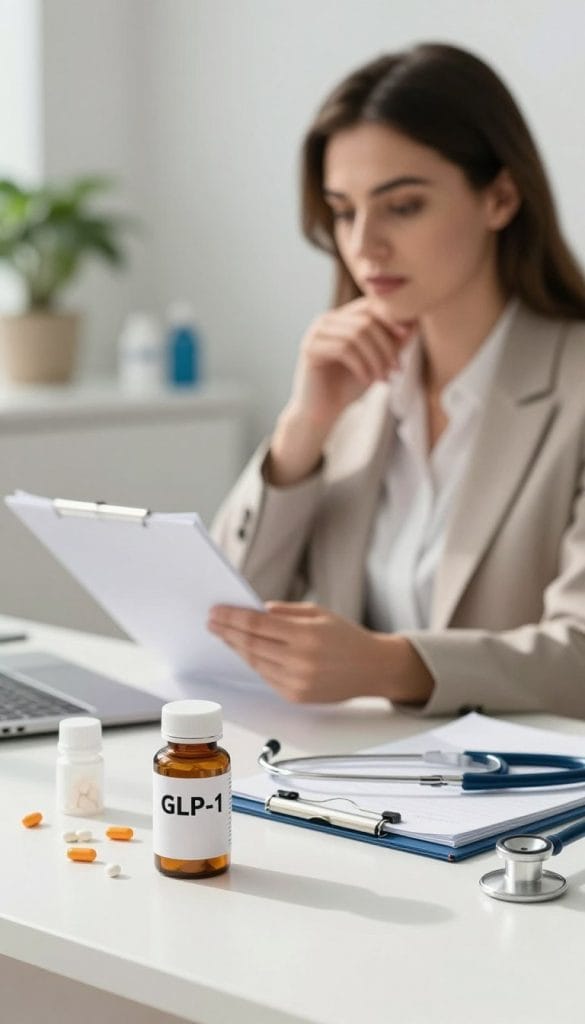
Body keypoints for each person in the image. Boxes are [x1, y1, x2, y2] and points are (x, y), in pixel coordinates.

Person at [208, 42, 585, 717]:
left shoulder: (573, 384)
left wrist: (390, 664)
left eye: (402, 206)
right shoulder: (355, 394)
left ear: (500, 197)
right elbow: (224, 622)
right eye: (344, 211)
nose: (363, 245)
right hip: (359, 780)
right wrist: (303, 428)